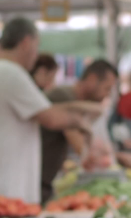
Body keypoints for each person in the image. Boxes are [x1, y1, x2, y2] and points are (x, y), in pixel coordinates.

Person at [0, 18, 97, 204]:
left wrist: (83, 111)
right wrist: (82, 122)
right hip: (1, 192)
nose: (36, 55)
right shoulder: (9, 73)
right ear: (26, 42)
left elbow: (44, 109)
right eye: (37, 46)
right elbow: (51, 118)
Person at [40, 59, 118, 202]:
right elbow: (82, 148)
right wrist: (101, 156)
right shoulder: (62, 96)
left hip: (44, 181)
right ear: (92, 79)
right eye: (107, 88)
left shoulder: (71, 98)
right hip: (37, 182)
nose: (107, 95)